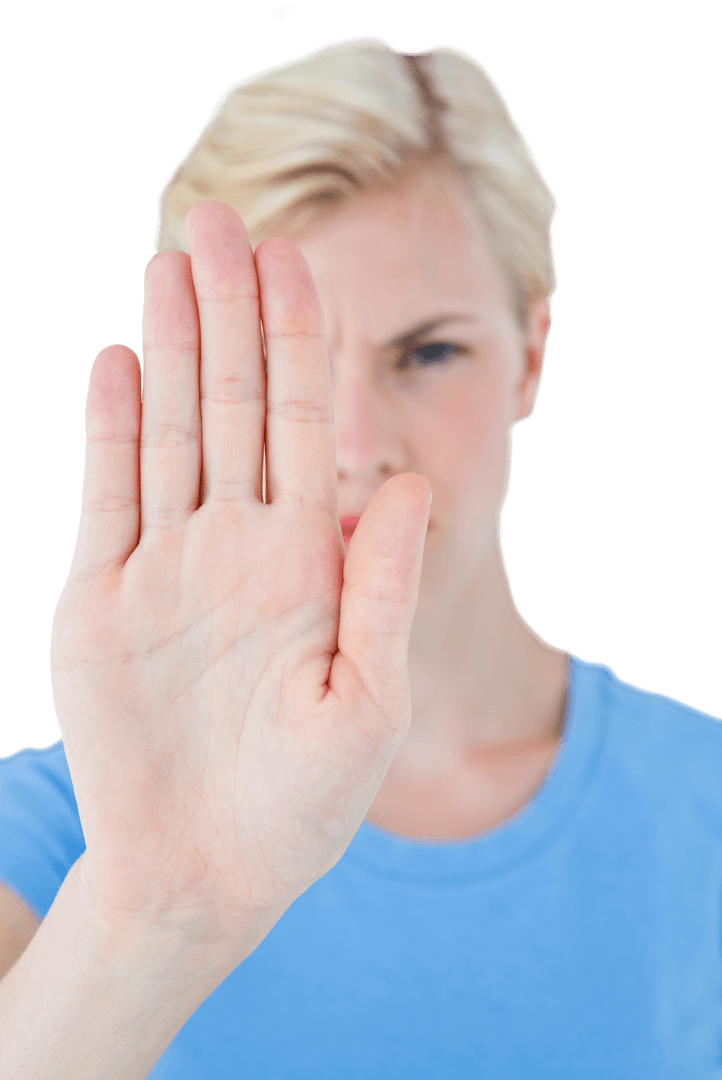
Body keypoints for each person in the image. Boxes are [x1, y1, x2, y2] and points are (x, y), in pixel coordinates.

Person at [1, 34, 721, 1079]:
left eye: (427, 353)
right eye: (282, 360)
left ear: (531, 352)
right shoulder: (70, 828)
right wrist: (155, 917)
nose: (352, 446)